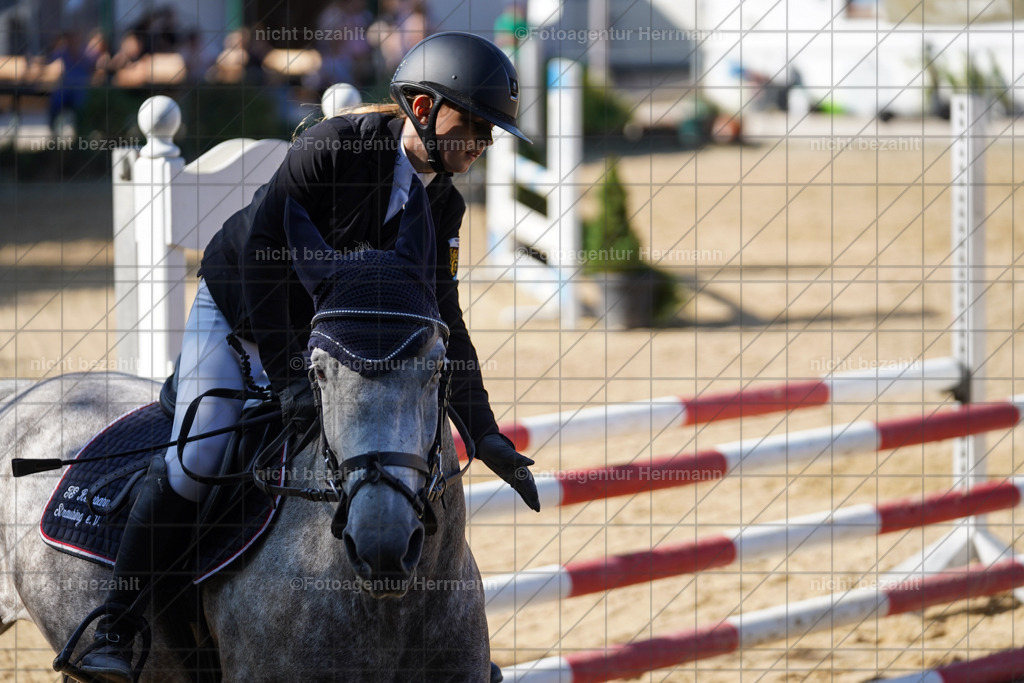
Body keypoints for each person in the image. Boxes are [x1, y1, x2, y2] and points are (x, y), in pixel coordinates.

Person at [76, 31, 539, 683]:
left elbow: (447, 324)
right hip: (241, 315)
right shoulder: (333, 149)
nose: (483, 146)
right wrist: (291, 380)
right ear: (425, 109)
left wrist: (483, 430)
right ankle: (116, 624)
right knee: (201, 452)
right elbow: (267, 265)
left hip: (335, 345)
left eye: (491, 132)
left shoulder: (445, 204)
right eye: (475, 126)